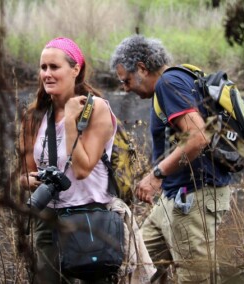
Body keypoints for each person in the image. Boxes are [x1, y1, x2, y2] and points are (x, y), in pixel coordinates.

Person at [19, 37, 156, 284]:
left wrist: (71, 119)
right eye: (43, 68)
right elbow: (24, 173)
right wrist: (30, 181)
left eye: (54, 67)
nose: (47, 74)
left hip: (91, 222)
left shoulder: (97, 109)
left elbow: (82, 169)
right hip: (48, 224)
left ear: (76, 69)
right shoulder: (33, 116)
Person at [110, 34, 232, 283]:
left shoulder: (169, 83)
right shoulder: (179, 78)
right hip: (174, 199)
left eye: (127, 80)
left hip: (193, 199)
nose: (125, 88)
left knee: (195, 278)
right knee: (138, 267)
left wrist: (157, 175)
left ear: (142, 68)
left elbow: (198, 137)